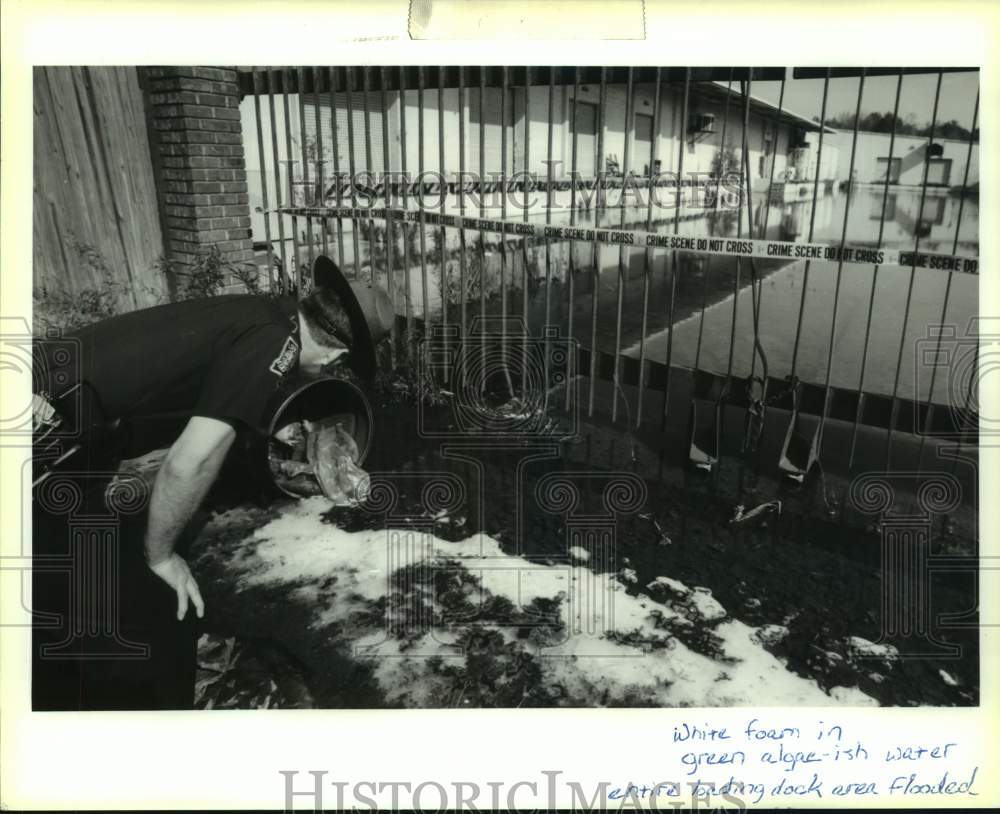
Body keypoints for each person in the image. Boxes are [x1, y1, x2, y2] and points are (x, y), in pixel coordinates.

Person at [31, 255, 393, 709]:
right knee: (160, 610)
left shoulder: (264, 313)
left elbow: (200, 379)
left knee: (57, 599)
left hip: (56, 409)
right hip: (42, 435)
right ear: (339, 354)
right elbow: (189, 462)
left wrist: (268, 426)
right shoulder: (273, 346)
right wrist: (161, 557)